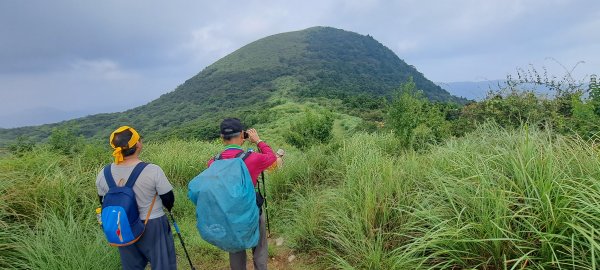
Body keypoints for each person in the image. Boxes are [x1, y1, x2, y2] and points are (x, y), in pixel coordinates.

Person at [96, 126, 177, 270]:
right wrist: (168, 208)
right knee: (162, 264)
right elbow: (168, 199)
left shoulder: (103, 173)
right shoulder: (152, 170)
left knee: (131, 266)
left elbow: (102, 201)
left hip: (122, 225)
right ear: (138, 144)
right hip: (153, 223)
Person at [207, 118, 277, 270]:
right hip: (251, 212)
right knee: (259, 250)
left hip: (230, 214)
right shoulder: (252, 158)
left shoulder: (213, 162)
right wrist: (258, 140)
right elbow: (271, 157)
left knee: (236, 252)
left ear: (221, 137)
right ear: (242, 135)